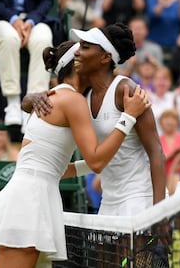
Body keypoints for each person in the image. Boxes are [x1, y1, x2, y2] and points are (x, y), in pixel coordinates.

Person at [0, 40, 150, 267]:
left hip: (33, 197)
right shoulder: (72, 100)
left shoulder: (57, 96)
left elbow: (57, 171)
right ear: (77, 65)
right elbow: (97, 161)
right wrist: (128, 117)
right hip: (28, 203)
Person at [28, 23, 167, 215]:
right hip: (109, 200)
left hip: (140, 197)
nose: (78, 52)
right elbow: (28, 104)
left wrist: (160, 212)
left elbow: (156, 152)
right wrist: (34, 97)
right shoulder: (81, 97)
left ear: (105, 57)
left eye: (85, 47)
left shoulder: (126, 90)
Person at [0, 0, 54, 126]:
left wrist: (31, 20)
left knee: (43, 40)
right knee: (9, 38)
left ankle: (33, 106)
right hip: (0, 18)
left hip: (35, 20)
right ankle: (12, 104)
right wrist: (12, 18)